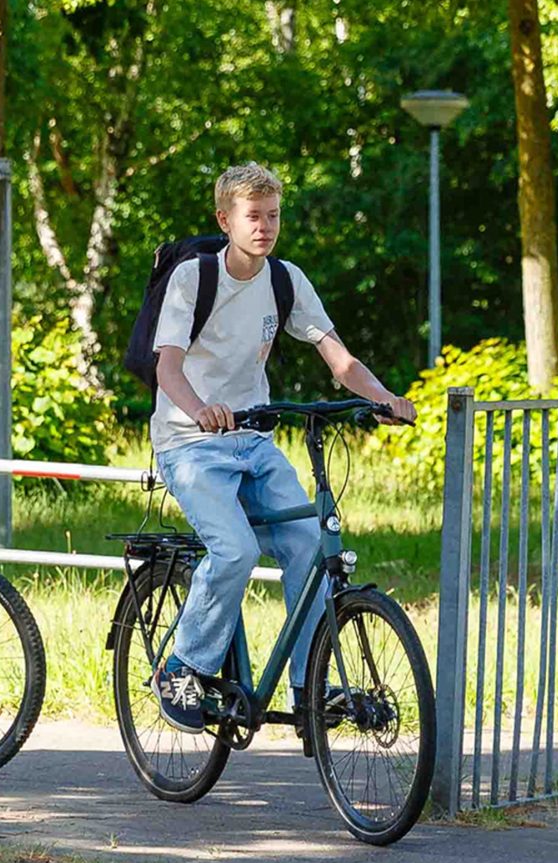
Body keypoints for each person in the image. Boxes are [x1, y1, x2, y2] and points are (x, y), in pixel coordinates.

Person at [149, 162, 415, 732]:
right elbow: (167, 367)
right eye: (253, 216)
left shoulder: (285, 280)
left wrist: (385, 397)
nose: (265, 227)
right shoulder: (193, 280)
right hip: (190, 444)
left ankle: (309, 684)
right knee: (235, 551)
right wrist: (200, 411)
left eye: (273, 216)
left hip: (254, 441)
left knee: (308, 546)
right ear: (225, 220)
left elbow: (338, 359)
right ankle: (182, 667)